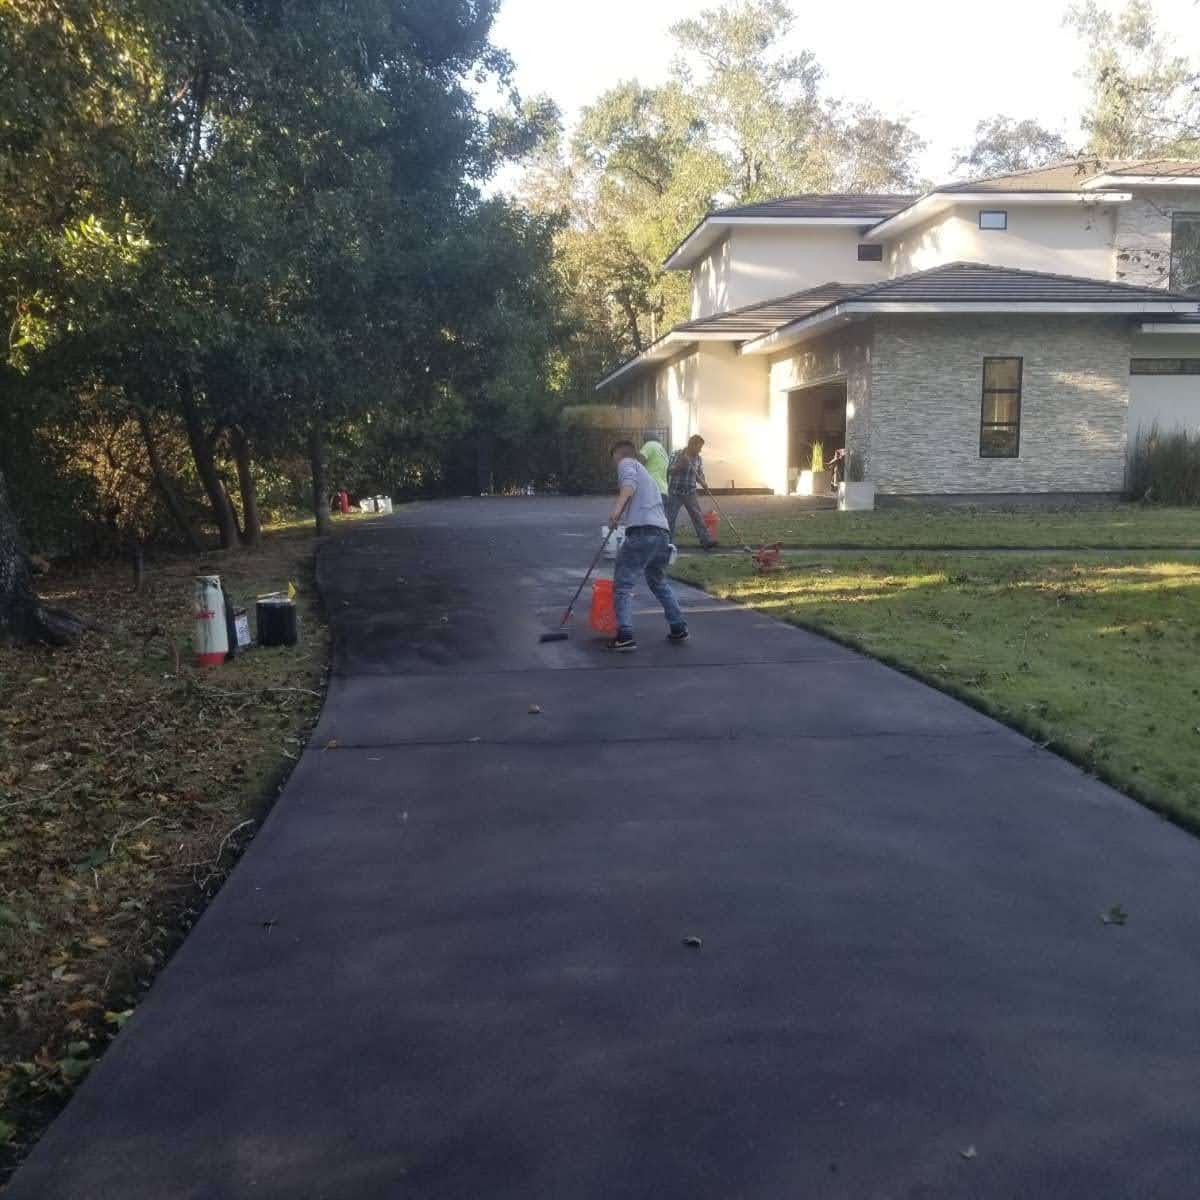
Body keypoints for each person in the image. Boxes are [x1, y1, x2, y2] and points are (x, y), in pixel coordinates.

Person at [608, 440, 688, 652]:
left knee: (623, 584)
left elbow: (628, 487)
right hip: (662, 534)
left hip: (642, 532)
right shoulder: (648, 477)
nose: (614, 463)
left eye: (613, 458)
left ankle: (625, 635)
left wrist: (616, 512)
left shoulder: (626, 463)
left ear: (618, 454)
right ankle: (678, 626)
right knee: (658, 581)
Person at [666, 434, 716, 550]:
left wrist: (703, 482)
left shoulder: (698, 458)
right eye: (699, 447)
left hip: (690, 492)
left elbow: (699, 474)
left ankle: (706, 541)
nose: (700, 450)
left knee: (697, 516)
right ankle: (667, 543)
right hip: (675, 492)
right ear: (692, 445)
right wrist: (680, 465)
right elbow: (670, 471)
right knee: (670, 518)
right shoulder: (677, 454)